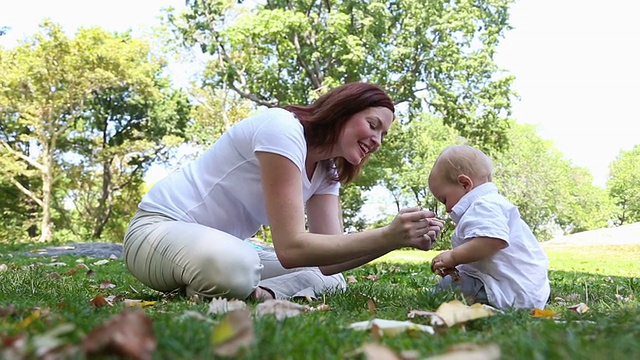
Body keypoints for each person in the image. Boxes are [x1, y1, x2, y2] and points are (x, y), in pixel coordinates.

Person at [123, 82, 445, 301]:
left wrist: (395, 240)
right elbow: (291, 248)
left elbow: (329, 260)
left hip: (224, 250)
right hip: (156, 232)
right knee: (240, 264)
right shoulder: (283, 129)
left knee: (332, 281)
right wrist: (387, 234)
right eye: (373, 125)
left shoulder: (327, 172)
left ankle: (261, 293)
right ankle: (232, 283)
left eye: (383, 134)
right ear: (343, 111)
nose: (377, 140)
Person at [428, 145, 550, 309]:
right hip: (523, 289)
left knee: (444, 290)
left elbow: (492, 240)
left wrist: (453, 257)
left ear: (465, 184)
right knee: (453, 282)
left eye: (444, 200)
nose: (447, 209)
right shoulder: (491, 203)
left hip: (506, 290)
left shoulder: (483, 205)